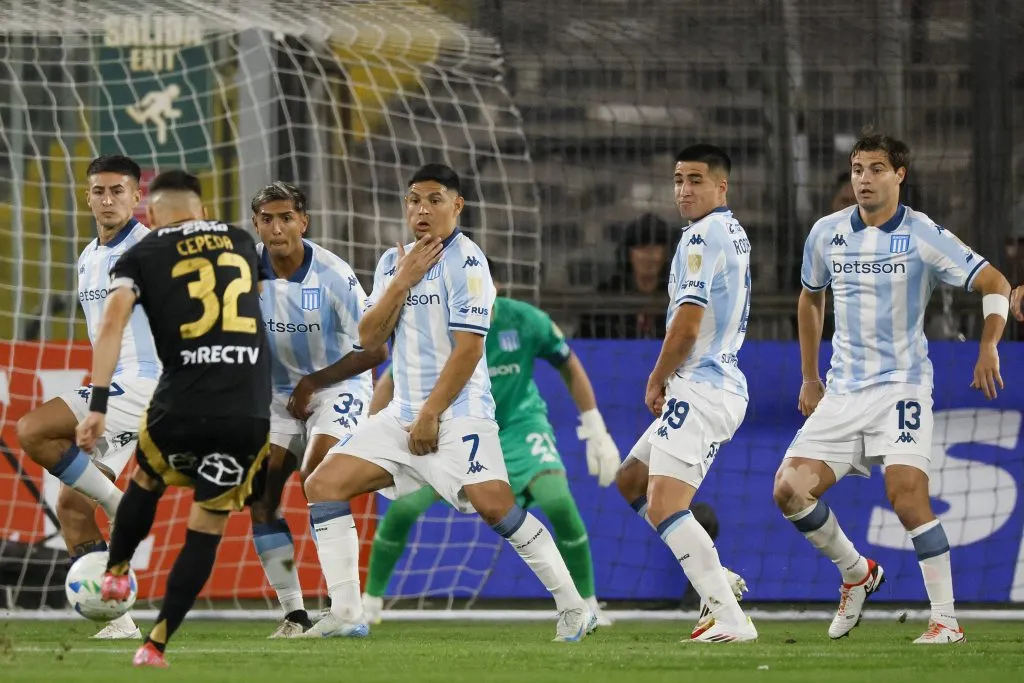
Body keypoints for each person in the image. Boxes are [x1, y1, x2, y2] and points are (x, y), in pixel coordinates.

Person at [301, 163, 596, 641]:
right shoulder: (391, 261)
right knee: (323, 484)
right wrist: (400, 281)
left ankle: (574, 606)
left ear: (456, 206)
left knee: (497, 508)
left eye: (435, 199)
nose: (422, 209)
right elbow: (369, 338)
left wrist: (432, 414)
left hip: (458, 415)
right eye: (414, 199)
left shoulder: (469, 263)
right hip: (402, 416)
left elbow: (469, 348)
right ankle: (348, 612)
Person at [772, 132, 1013, 644]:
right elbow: (810, 298)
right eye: (858, 168)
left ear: (899, 175)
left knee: (906, 499)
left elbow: (995, 282)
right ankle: (858, 572)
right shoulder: (827, 233)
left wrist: (989, 344)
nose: (863, 178)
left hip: (902, 388)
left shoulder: (923, 234)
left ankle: (945, 620)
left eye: (876, 168)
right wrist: (810, 377)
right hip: (843, 392)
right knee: (789, 491)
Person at [75, 170, 272, 667]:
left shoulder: (141, 252)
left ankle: (117, 570)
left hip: (179, 404)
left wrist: (97, 406)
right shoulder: (243, 240)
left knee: (146, 477)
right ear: (201, 210)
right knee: (205, 526)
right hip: (245, 412)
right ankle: (155, 645)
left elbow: (113, 324)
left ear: (153, 214)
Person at [361, 260, 620, 626]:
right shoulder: (439, 324)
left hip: (517, 426)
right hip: (451, 428)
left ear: (493, 285)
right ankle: (369, 603)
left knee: (559, 504)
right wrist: (371, 427)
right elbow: (391, 378)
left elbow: (569, 363)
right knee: (402, 510)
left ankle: (587, 602)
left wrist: (595, 428)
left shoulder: (526, 321)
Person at [614, 144, 758, 643]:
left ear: (722, 186)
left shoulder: (701, 238)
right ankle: (719, 580)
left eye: (696, 180)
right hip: (711, 384)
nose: (684, 189)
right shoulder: (731, 232)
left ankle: (729, 618)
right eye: (678, 179)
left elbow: (686, 326)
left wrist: (657, 379)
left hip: (702, 386)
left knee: (665, 504)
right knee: (631, 479)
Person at [16, 154, 156, 640]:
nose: (107, 199)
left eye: (118, 190)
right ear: (87, 195)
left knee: (32, 430)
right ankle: (118, 620)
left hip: (146, 383)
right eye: (99, 190)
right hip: (117, 383)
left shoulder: (151, 250)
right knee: (73, 504)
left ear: (137, 197)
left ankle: (125, 508)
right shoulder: (88, 256)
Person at [247, 182, 387, 638]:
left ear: (303, 222)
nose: (277, 227)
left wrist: (312, 382)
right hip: (278, 394)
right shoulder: (245, 271)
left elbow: (374, 350)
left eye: (286, 217)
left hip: (336, 384)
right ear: (256, 225)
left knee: (316, 478)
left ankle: (346, 609)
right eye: (267, 218)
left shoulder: (333, 275)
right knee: (261, 497)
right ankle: (294, 613)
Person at [577, 213, 675, 339]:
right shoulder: (606, 296)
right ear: (628, 253)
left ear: (666, 253)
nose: (649, 256)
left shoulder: (678, 293)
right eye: (641, 248)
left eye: (655, 248)